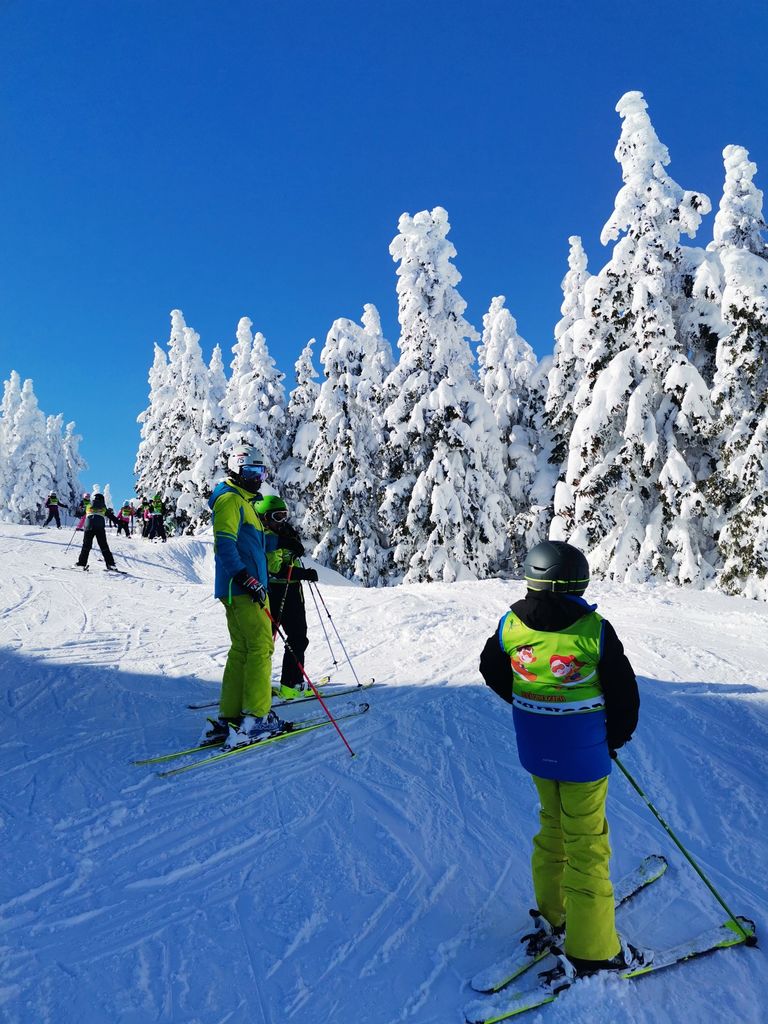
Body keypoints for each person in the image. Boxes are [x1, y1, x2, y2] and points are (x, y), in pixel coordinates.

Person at [478, 540, 646, 982]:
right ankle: (594, 950)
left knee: (552, 826)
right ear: (577, 583)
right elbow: (624, 695)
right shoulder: (594, 631)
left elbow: (490, 667)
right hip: (583, 756)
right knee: (586, 842)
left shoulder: (511, 625)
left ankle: (556, 914)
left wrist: (526, 702)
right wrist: (613, 738)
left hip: (536, 749)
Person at [199, 445, 285, 750]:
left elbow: (252, 546)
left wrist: (278, 540)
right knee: (261, 648)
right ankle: (257, 717)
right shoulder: (230, 499)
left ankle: (230, 717)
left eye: (261, 472)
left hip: (243, 587)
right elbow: (224, 543)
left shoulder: (244, 501)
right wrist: (244, 577)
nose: (257, 478)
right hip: (243, 588)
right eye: (250, 471)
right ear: (236, 470)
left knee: (242, 650)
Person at [258, 494, 319, 699]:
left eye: (284, 515)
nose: (281, 521)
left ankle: (268, 685)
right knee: (295, 638)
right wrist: (304, 574)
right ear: (264, 518)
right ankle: (291, 685)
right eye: (277, 516)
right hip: (280, 592)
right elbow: (275, 569)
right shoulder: (267, 537)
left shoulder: (280, 533)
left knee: (287, 638)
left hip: (288, 590)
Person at [75, 492, 117, 570]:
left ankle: (81, 564)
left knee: (86, 546)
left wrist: (77, 512)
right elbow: (111, 517)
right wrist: (120, 522)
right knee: (104, 546)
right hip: (100, 527)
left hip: (88, 527)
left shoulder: (88, 505)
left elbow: (80, 513)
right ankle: (111, 564)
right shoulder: (103, 507)